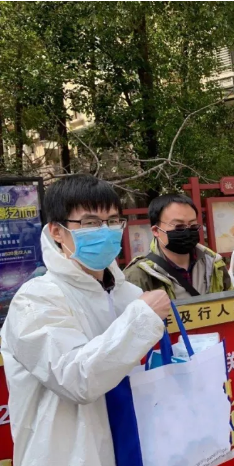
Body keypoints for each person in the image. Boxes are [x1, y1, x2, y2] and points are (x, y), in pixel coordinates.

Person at [0, 174, 170, 466]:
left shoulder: (129, 294)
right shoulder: (35, 300)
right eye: (90, 222)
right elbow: (75, 379)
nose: (105, 231)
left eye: (113, 221)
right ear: (57, 231)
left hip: (134, 447)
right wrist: (141, 319)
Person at [125, 194, 230, 299]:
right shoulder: (139, 274)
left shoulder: (214, 263)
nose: (187, 232)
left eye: (193, 226)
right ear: (156, 230)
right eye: (179, 227)